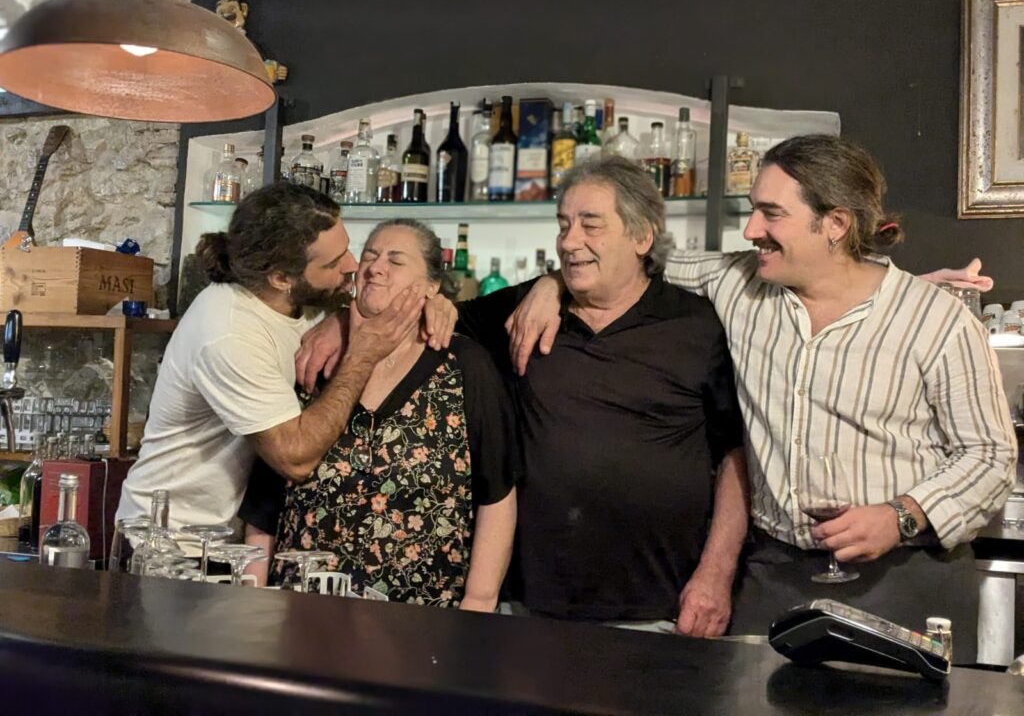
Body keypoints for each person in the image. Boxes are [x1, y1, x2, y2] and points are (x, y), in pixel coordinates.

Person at [508, 135, 1017, 661]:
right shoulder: (738, 284)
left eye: (771, 214)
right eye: (753, 210)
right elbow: (624, 257)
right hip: (772, 578)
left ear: (835, 224)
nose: (751, 230)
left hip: (904, 580)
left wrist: (902, 515)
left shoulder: (936, 319)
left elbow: (991, 456)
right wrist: (551, 285)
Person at [444, 157, 747, 635]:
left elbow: (736, 456)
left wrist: (717, 574)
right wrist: (339, 326)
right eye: (563, 224)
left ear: (642, 237)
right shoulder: (524, 309)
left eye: (591, 224)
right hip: (527, 608)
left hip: (659, 611)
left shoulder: (696, 324)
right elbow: (436, 319)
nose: (569, 241)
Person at [116, 182, 448, 531]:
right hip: (171, 537)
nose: (353, 266)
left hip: (232, 538)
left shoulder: (306, 298)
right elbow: (295, 458)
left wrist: (429, 303)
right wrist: (361, 355)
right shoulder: (228, 332)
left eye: (348, 250)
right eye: (335, 262)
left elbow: (373, 305)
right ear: (281, 278)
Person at [239, 219, 519, 611]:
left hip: (422, 619)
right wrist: (250, 603)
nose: (375, 268)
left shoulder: (464, 366)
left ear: (432, 286)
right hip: (301, 612)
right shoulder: (318, 359)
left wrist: (479, 601)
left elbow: (497, 495)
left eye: (396, 260)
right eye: (369, 256)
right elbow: (265, 502)